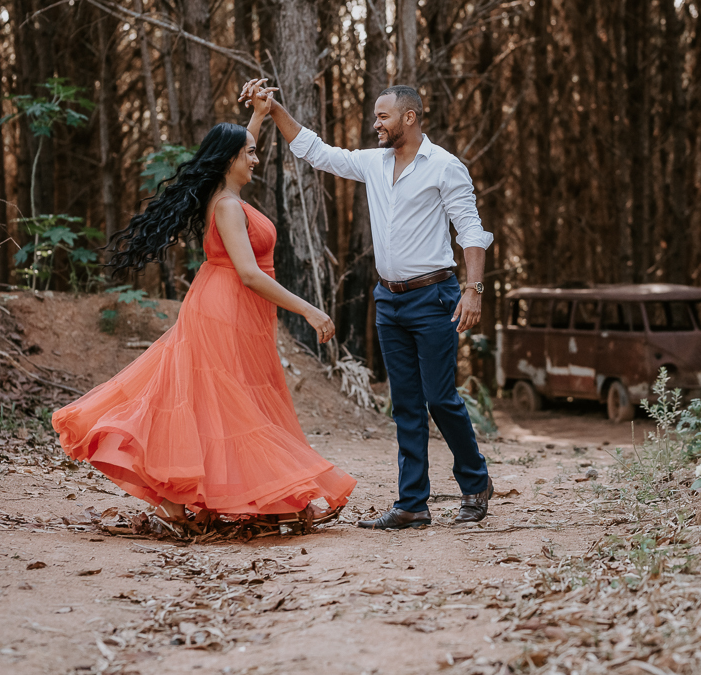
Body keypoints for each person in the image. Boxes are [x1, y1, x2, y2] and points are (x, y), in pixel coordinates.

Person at [51, 118, 355, 527]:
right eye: (250, 152)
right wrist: (308, 309)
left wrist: (259, 118)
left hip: (238, 307)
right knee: (230, 402)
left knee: (228, 402)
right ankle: (224, 498)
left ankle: (233, 499)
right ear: (230, 159)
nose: (256, 157)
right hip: (225, 306)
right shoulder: (228, 205)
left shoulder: (224, 193)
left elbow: (235, 148)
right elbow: (249, 273)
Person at [239, 79, 493, 530]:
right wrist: (274, 110)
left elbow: (470, 230)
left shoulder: (445, 166)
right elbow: (316, 151)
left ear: (409, 118)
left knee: (439, 398)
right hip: (389, 300)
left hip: (435, 296)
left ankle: (475, 483)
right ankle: (413, 503)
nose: (375, 124)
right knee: (406, 404)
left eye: (383, 117)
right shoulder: (373, 164)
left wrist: (473, 290)